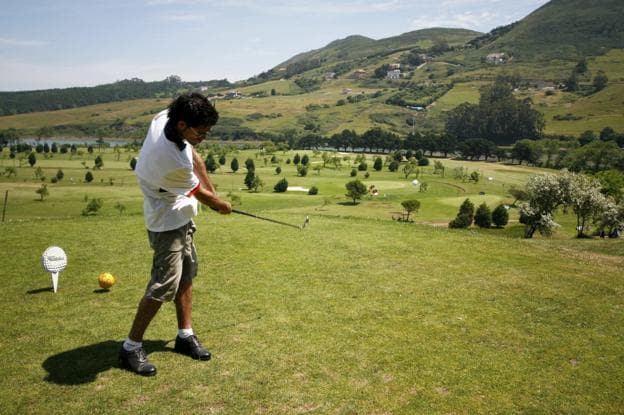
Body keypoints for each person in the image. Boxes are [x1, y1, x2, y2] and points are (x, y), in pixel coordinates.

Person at [119, 93, 232, 376]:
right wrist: (221, 204)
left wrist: (213, 195)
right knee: (163, 285)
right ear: (183, 125)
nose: (204, 137)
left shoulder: (164, 118)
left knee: (186, 274)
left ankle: (185, 335)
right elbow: (200, 191)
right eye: (201, 132)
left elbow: (197, 159)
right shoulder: (170, 160)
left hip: (180, 214)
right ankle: (130, 347)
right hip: (166, 220)